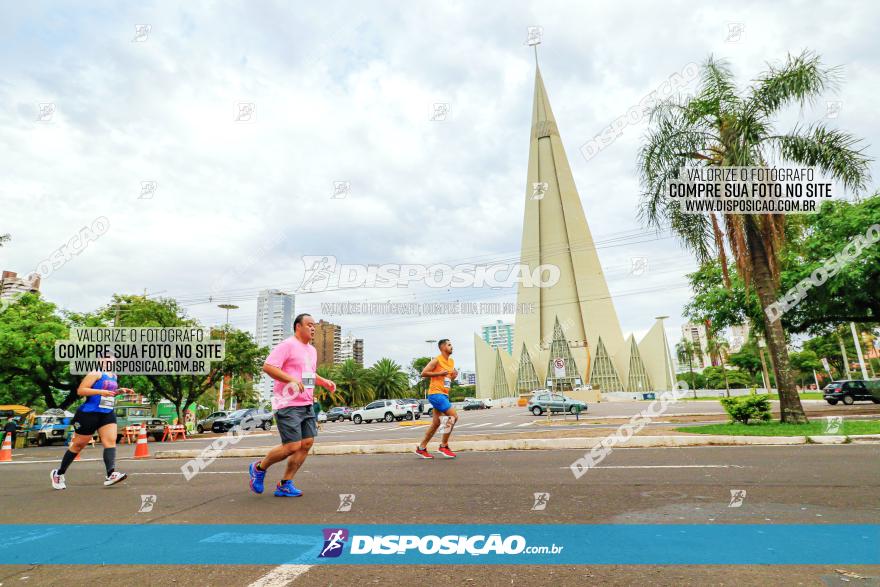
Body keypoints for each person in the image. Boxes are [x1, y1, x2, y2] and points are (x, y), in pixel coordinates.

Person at [248, 313, 336, 497]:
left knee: (306, 443)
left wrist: (324, 382)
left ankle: (285, 483)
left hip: (306, 404)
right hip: (287, 404)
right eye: (309, 325)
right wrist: (291, 380)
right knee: (292, 446)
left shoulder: (311, 350)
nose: (313, 328)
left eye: (314, 326)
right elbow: (268, 367)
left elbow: (308, 376)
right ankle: (258, 468)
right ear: (298, 326)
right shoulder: (287, 345)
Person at [51, 356, 133, 489]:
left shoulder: (113, 375)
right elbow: (81, 390)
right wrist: (101, 391)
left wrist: (119, 391)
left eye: (111, 358)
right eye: (105, 358)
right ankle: (58, 473)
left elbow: (108, 393)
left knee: (110, 441)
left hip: (106, 412)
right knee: (79, 445)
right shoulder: (95, 373)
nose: (108, 360)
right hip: (89, 413)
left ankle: (111, 474)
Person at [416, 339, 459, 459]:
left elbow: (447, 379)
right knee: (453, 417)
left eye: (451, 345)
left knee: (436, 423)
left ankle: (421, 448)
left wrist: (453, 377)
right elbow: (423, 373)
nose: (452, 347)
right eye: (449, 345)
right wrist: (438, 373)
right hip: (435, 394)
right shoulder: (436, 360)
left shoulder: (451, 361)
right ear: (442, 347)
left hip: (444, 394)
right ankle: (443, 446)